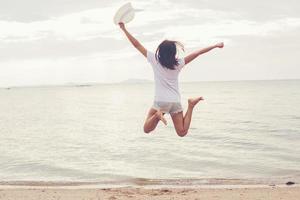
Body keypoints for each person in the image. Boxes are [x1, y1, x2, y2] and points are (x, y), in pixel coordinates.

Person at [119, 22, 224, 137]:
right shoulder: (178, 63)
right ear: (174, 52)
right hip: (175, 101)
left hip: (161, 101)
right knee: (182, 132)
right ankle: (191, 105)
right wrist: (215, 45)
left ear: (160, 51)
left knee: (146, 129)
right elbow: (197, 53)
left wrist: (124, 29)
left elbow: (137, 45)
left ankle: (157, 115)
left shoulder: (155, 60)